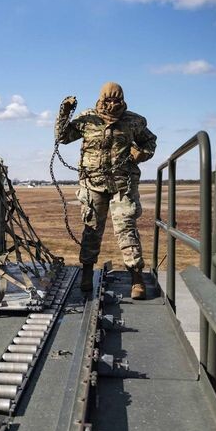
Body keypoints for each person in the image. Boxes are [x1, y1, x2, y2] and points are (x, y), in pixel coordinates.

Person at [56, 82, 157, 299]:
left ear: (122, 100)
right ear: (100, 99)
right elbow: (62, 138)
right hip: (93, 183)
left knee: (126, 229)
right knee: (91, 229)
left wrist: (142, 154)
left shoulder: (134, 121)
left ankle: (136, 278)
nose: (111, 104)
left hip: (122, 184)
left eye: (116, 100)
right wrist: (64, 113)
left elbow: (150, 142)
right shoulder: (87, 119)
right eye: (107, 100)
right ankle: (86, 273)